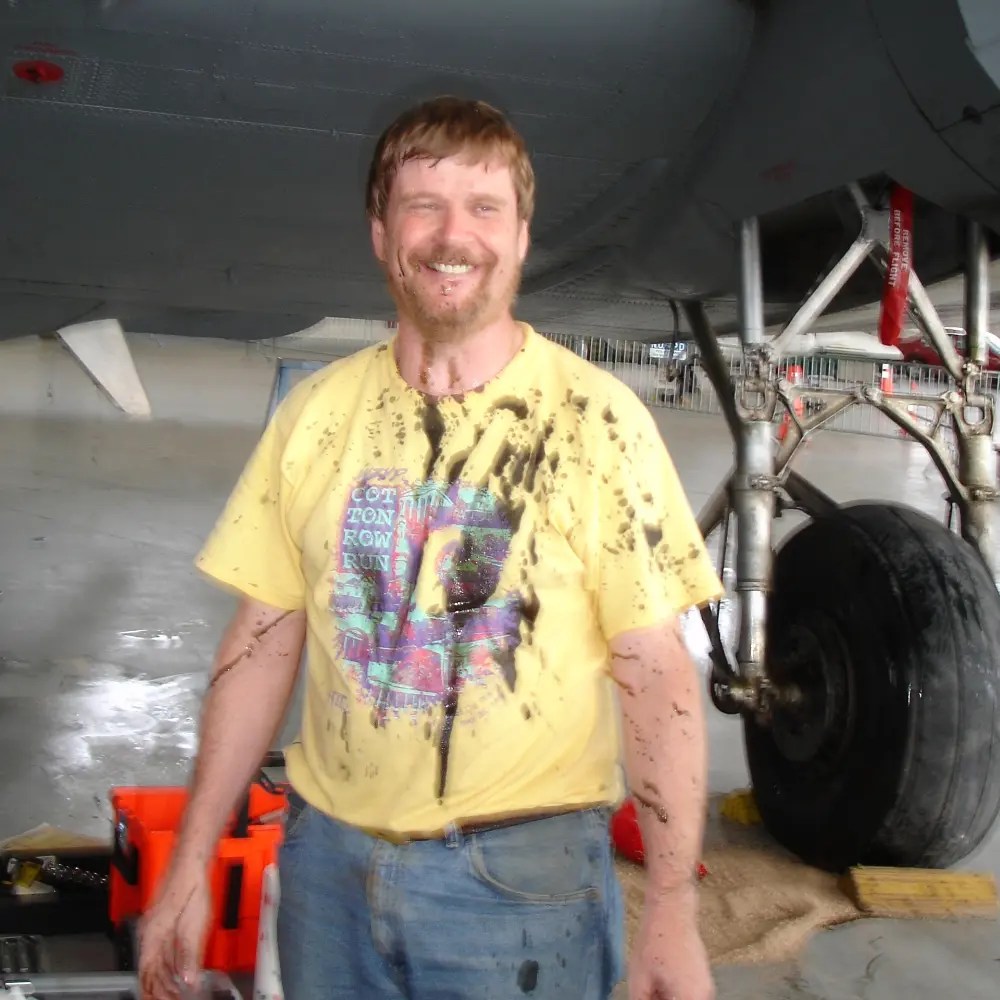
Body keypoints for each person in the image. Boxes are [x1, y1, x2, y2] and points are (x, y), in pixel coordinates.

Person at [138, 95, 723, 1000]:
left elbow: (655, 672)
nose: (455, 236)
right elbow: (261, 645)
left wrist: (673, 913)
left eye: (485, 208)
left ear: (523, 237)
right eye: (424, 205)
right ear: (381, 234)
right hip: (325, 870)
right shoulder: (316, 415)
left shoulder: (598, 422)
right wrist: (190, 860)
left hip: (521, 890)